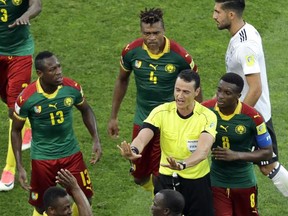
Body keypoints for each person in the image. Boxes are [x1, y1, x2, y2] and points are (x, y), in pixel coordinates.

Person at [108, 7, 200, 191]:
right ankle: (159, 196)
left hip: (169, 122)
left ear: (164, 31)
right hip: (142, 119)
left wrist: (198, 119)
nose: (151, 38)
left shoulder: (180, 56)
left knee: (161, 174)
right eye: (147, 33)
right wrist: (113, 116)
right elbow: (122, 80)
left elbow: (195, 87)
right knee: (139, 177)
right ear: (141, 32)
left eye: (156, 33)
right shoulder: (131, 52)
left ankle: (163, 203)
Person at [11, 51, 102, 216]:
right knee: (41, 207)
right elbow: (16, 130)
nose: (59, 71)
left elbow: (86, 109)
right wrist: (20, 166)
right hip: (42, 159)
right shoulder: (27, 98)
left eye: (58, 66)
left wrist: (96, 138)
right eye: (52, 69)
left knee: (85, 197)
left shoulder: (71, 88)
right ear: (40, 73)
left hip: (71, 154)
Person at [212, 0, 288, 197]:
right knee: (267, 166)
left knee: (268, 166)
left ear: (231, 15)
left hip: (255, 116)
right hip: (249, 111)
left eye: (217, 12)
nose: (214, 16)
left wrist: (238, 118)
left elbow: (255, 88)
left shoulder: (245, 46)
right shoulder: (243, 31)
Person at [118, 69, 217, 216]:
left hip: (196, 182)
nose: (179, 96)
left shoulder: (207, 116)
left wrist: (182, 164)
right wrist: (134, 150)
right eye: (177, 90)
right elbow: (143, 135)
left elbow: (202, 151)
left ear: (197, 92)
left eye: (185, 92)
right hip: (166, 180)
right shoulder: (161, 111)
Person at [202, 73, 273, 216]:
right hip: (217, 180)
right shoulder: (205, 110)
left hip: (244, 182)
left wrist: (236, 155)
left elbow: (267, 152)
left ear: (238, 96)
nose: (220, 96)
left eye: (227, 93)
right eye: (219, 90)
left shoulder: (253, 117)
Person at [0, 0, 42, 192]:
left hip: (19, 53)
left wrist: (26, 15)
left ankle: (9, 168)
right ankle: (28, 128)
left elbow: (37, 5)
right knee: (6, 99)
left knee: (13, 109)